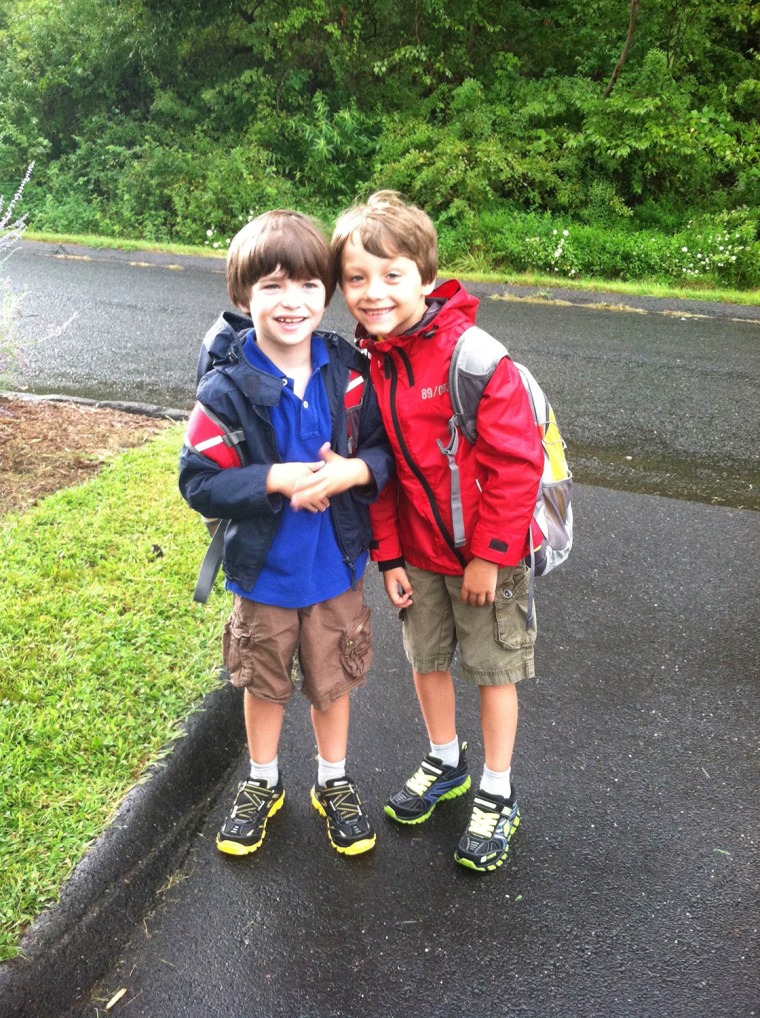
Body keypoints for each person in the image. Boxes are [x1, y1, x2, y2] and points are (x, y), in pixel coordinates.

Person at [330, 190, 544, 872]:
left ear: (425, 276)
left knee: (493, 670)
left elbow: (518, 466)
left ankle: (497, 792)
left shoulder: (473, 359)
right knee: (426, 662)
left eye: (391, 275)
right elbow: (382, 474)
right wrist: (388, 557)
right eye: (356, 278)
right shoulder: (374, 364)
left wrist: (489, 558)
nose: (372, 292)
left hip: (485, 561)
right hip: (418, 559)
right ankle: (446, 759)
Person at [179, 210, 394, 859]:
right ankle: (262, 780)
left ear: (326, 292)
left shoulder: (350, 371)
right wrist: (270, 478)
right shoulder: (223, 388)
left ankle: (333, 781)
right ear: (243, 296)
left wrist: (355, 468)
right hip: (263, 573)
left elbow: (388, 453)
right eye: (272, 286)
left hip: (335, 572)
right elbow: (199, 481)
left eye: (306, 285)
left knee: (333, 682)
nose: (291, 301)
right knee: (263, 681)